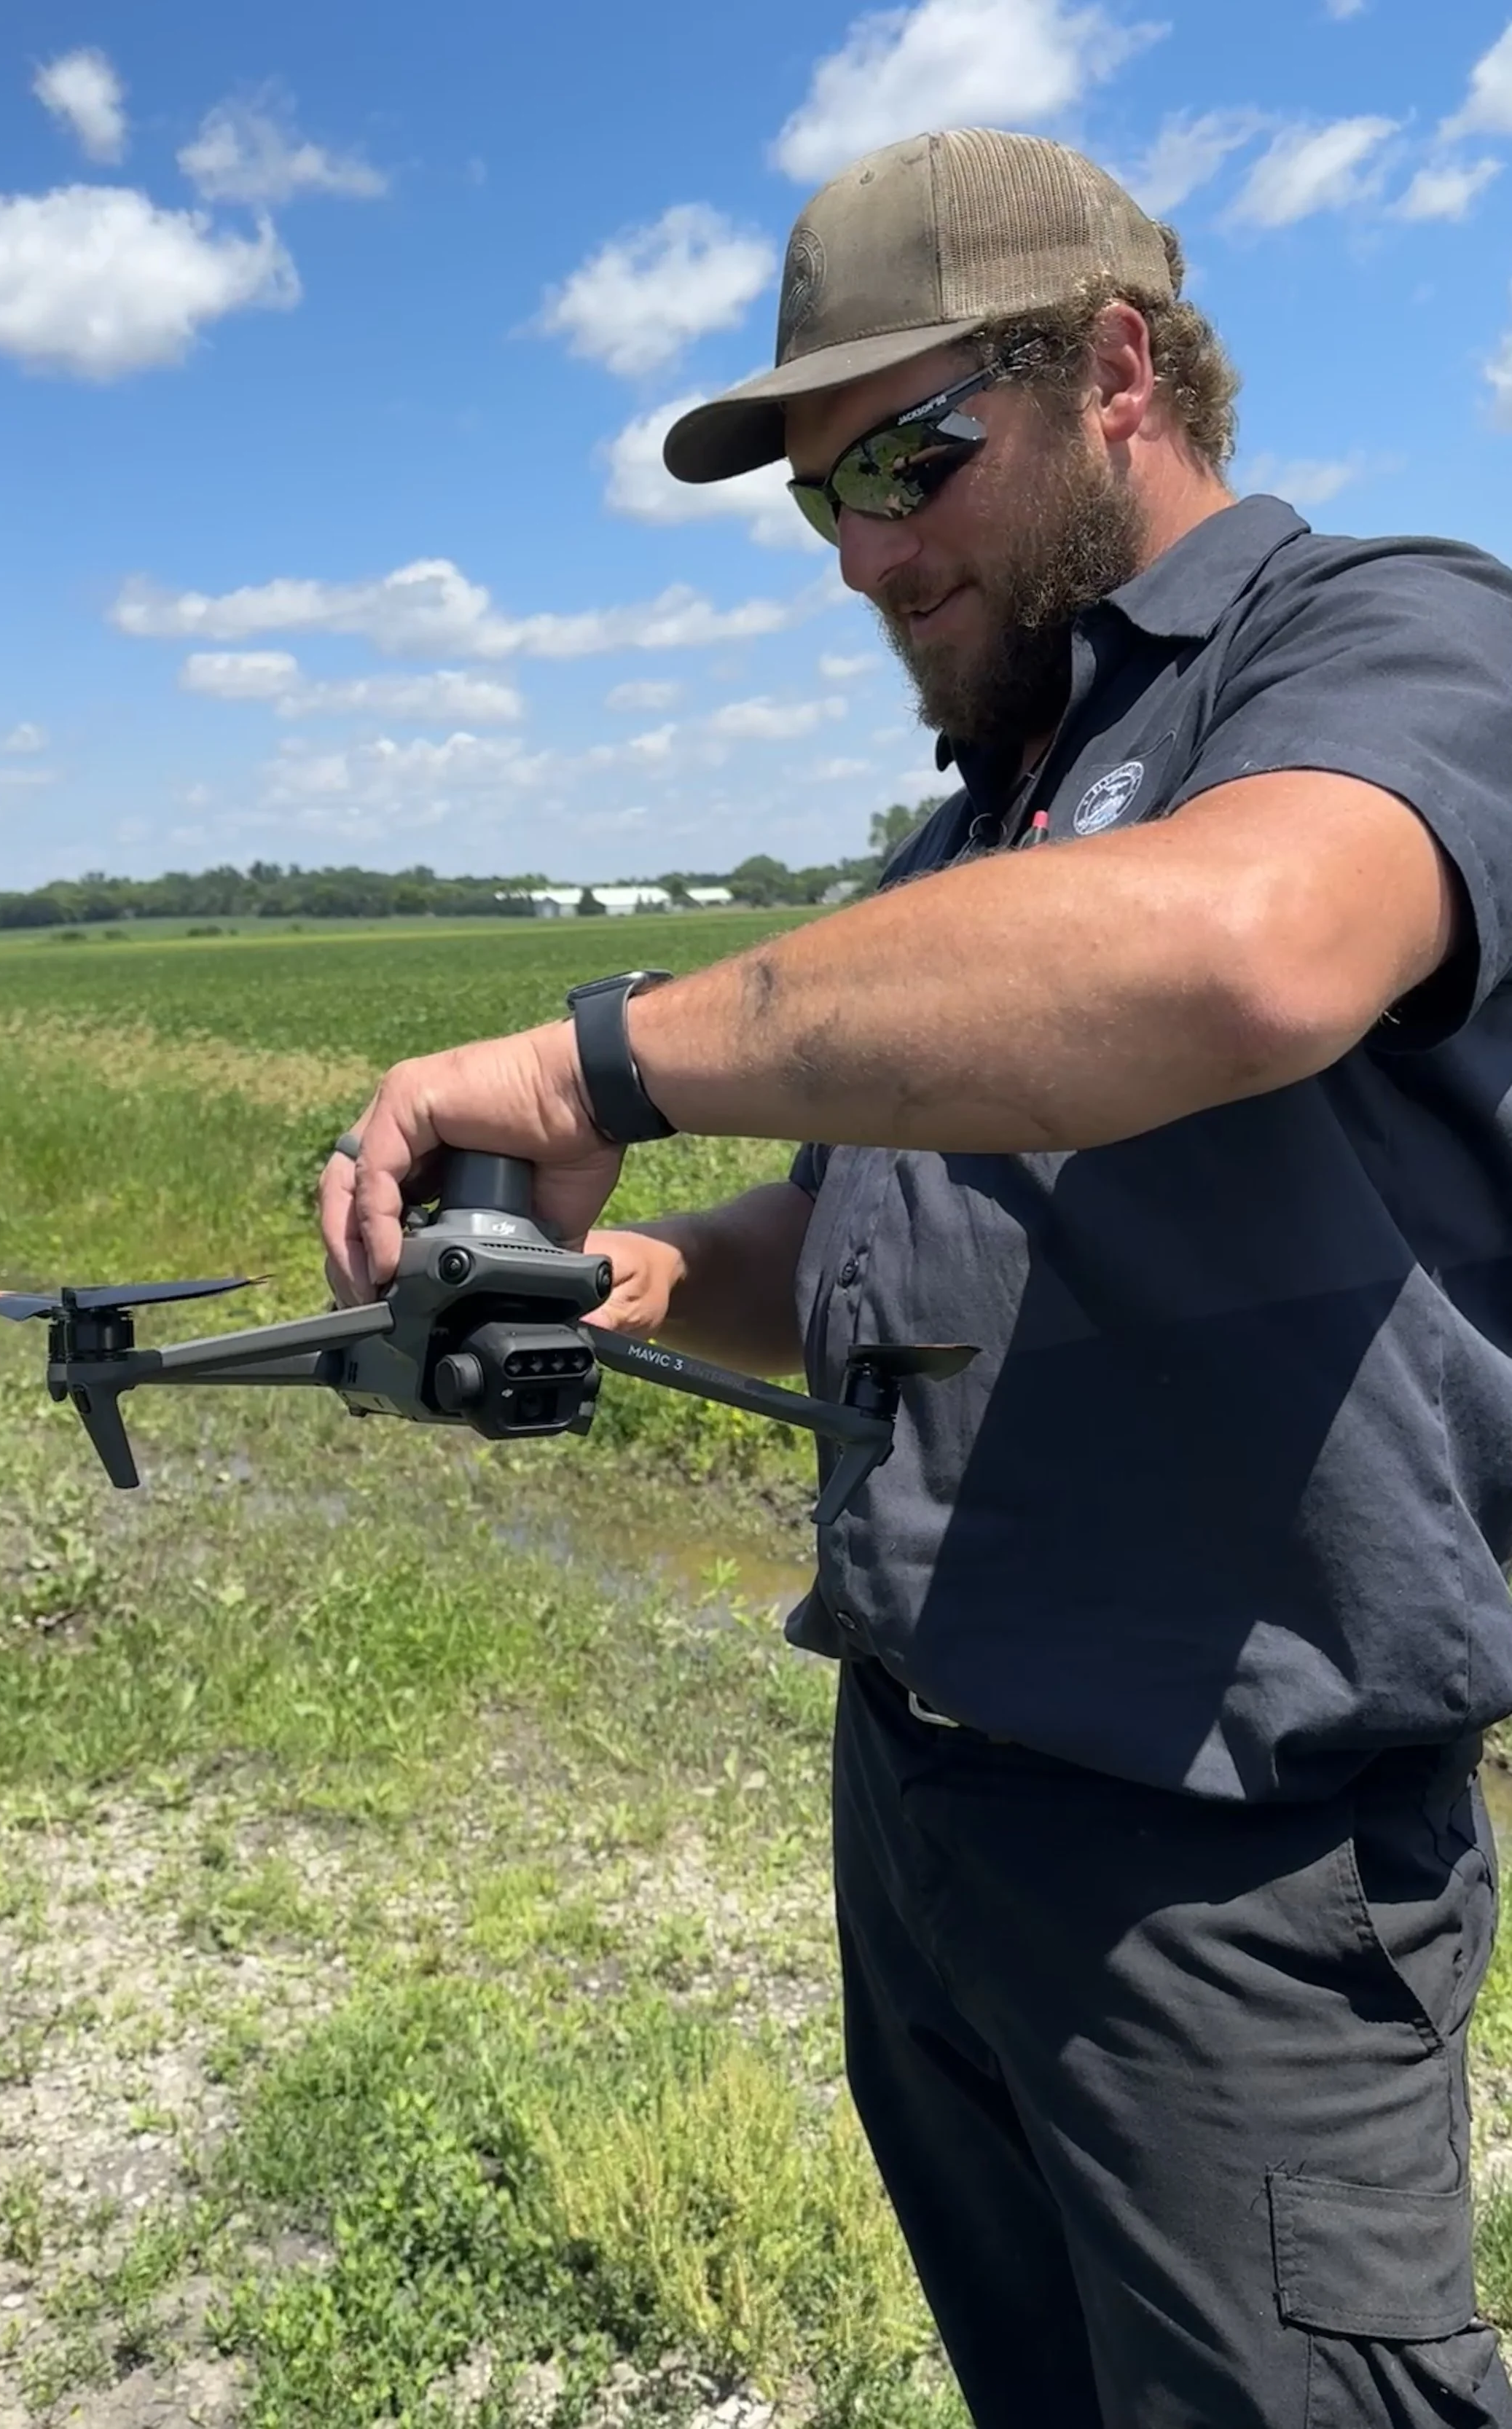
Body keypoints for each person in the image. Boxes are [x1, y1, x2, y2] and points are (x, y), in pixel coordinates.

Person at [319, 123, 1512, 2428]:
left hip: (1232, 1879)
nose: (863, 550)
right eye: (812, 497)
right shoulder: (979, 820)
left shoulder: (1382, 641)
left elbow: (1248, 947)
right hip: (932, 1814)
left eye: (903, 452)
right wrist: (625, 1274)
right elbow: (871, 1232)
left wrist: (596, 1058)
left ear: (1118, 372)